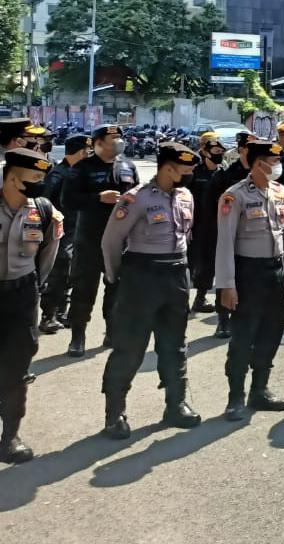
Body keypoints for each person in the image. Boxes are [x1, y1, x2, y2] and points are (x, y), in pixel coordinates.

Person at [99, 143, 203, 438]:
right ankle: (115, 413)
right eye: (184, 170)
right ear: (167, 168)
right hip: (141, 275)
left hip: (175, 275)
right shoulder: (137, 198)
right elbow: (111, 242)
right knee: (130, 346)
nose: (189, 175)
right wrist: (118, 278)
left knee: (174, 344)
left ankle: (175, 404)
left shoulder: (186, 196)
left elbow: (186, 237)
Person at [214, 142, 284, 421]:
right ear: (255, 163)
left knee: (272, 331)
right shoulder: (234, 196)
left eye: (277, 159)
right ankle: (235, 396)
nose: (276, 165)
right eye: (270, 160)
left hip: (274, 271)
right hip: (247, 273)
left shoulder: (280, 191)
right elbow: (225, 243)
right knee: (244, 335)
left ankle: (259, 390)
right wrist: (227, 284)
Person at [0, 148, 62, 464]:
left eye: (42, 178)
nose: (40, 184)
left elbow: (50, 249)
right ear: (11, 177)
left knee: (17, 366)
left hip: (22, 295)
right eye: (33, 178)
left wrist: (35, 285)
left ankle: (10, 435)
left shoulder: (42, 209)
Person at [63, 125, 140, 356]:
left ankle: (112, 332)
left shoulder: (127, 166)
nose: (118, 141)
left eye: (120, 137)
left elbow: (139, 196)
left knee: (117, 291)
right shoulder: (81, 169)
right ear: (98, 142)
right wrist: (98, 198)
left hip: (120, 241)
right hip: (89, 240)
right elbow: (68, 200)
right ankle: (78, 336)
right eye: (113, 137)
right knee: (83, 290)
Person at [202, 131, 256, 339]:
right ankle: (223, 320)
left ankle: (244, 319)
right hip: (228, 233)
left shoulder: (261, 176)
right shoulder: (225, 175)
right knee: (226, 277)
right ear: (241, 150)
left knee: (249, 279)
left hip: (253, 234)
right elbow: (210, 206)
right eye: (251, 148)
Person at [38, 134, 88, 333]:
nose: (88, 154)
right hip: (61, 231)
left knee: (71, 272)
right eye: (86, 151)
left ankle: (61, 313)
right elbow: (44, 203)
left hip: (77, 229)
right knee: (60, 271)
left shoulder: (79, 172)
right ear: (78, 152)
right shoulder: (58, 174)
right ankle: (48, 315)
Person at [188, 133, 225, 314]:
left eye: (221, 151)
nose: (219, 154)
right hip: (195, 225)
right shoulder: (194, 172)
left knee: (209, 263)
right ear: (205, 151)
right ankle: (180, 299)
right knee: (190, 261)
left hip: (216, 225)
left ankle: (200, 297)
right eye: (215, 151)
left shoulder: (223, 173)